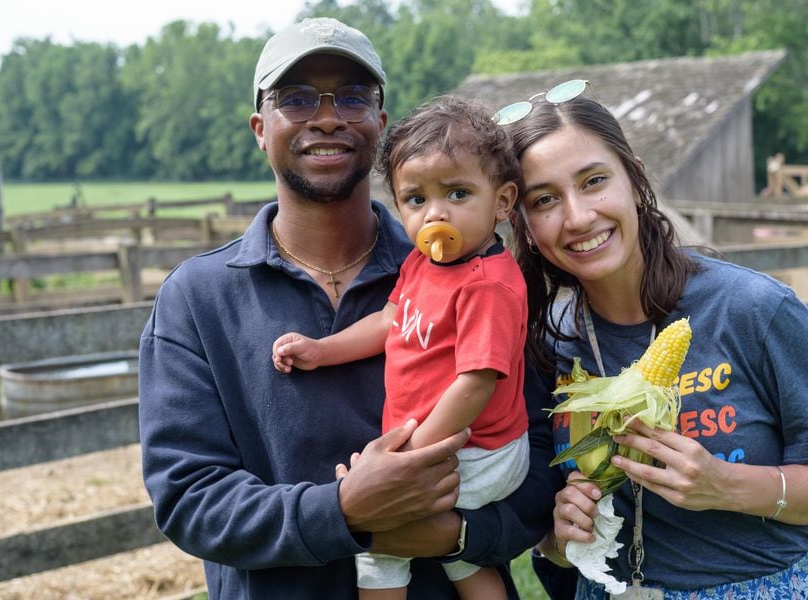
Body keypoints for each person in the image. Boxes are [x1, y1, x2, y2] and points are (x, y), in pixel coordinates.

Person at [137, 18, 556, 600]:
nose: (328, 116)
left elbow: (535, 453)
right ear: (260, 127)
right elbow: (189, 500)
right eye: (297, 98)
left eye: (353, 97)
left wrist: (457, 536)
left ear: (380, 126)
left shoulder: (465, 274)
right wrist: (343, 509)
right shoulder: (196, 298)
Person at [497, 85, 808, 598]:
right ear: (523, 220)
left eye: (594, 181)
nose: (578, 216)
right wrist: (558, 535)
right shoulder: (546, 341)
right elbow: (540, 520)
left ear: (634, 177)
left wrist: (727, 485)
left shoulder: (753, 309)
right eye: (545, 199)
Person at [272, 95, 529, 600]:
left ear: (502, 201)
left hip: (480, 450)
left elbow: (476, 383)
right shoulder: (421, 264)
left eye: (457, 193)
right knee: (459, 559)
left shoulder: (486, 284)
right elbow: (392, 321)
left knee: (380, 541)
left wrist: (411, 454)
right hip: (450, 445)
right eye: (416, 200)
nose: (436, 213)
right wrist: (325, 349)